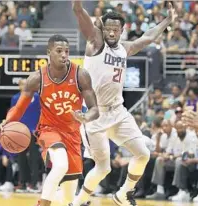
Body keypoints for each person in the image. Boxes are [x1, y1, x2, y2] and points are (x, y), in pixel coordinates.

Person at [72, 1, 178, 205]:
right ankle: (78, 202)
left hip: (118, 112)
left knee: (143, 154)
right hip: (96, 114)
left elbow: (148, 37)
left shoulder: (124, 49)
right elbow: (78, 11)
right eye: (108, 28)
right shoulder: (95, 42)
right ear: (102, 28)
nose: (112, 32)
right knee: (103, 167)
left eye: (116, 29)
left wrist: (167, 20)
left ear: (122, 30)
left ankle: (123, 194)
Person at [0, 34, 99, 206]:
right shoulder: (37, 78)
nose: (64, 55)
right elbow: (20, 108)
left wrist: (85, 117)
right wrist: (6, 121)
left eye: (66, 51)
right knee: (60, 165)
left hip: (73, 134)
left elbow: (95, 110)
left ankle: (62, 198)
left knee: (68, 197)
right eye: (59, 51)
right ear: (49, 53)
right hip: (48, 130)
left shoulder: (80, 75)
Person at [11, 79, 41, 193]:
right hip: (20, 132)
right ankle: (22, 183)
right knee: (21, 158)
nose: (25, 86)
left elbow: (41, 113)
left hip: (33, 132)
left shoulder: (37, 97)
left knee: (34, 158)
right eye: (22, 84)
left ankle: (34, 184)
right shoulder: (15, 98)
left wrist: (38, 128)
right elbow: (13, 114)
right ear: (19, 86)